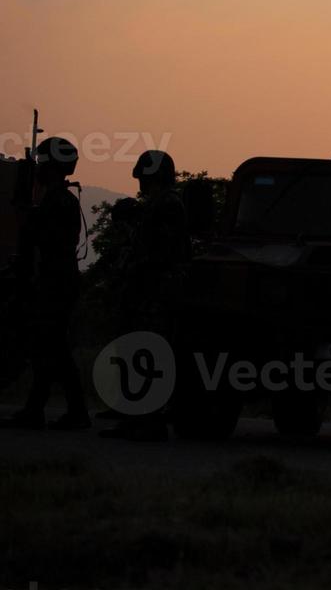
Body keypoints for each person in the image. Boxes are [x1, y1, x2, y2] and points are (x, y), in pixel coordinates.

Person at [99, 150, 192, 441]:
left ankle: (146, 420)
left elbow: (160, 253)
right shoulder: (160, 204)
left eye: (143, 176)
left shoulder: (166, 206)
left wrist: (137, 270)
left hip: (154, 292)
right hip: (149, 290)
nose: (139, 182)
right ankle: (139, 419)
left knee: (145, 354)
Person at [0, 137, 88, 431]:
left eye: (42, 163)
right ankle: (43, 408)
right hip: (55, 282)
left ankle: (64, 411)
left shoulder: (58, 202)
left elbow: (49, 242)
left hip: (55, 284)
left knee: (52, 349)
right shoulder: (56, 200)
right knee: (50, 348)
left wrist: (27, 218)